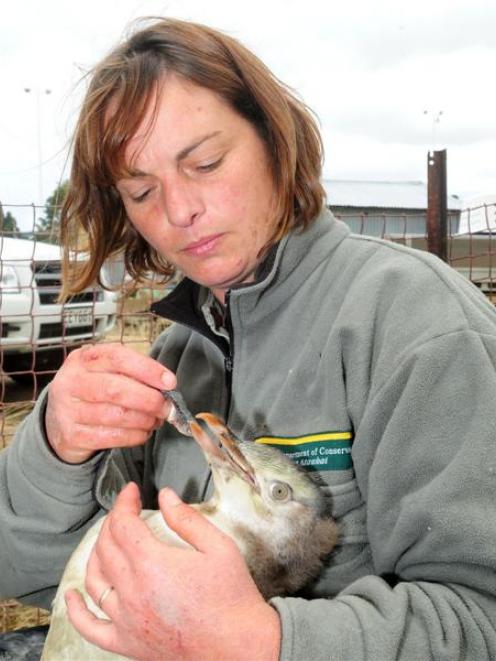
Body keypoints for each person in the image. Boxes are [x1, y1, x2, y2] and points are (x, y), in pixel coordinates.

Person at [1, 16, 496, 661]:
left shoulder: (411, 320)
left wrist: (264, 641)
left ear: (272, 139)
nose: (179, 212)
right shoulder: (179, 359)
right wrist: (57, 452)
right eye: (142, 191)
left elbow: (482, 619)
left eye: (205, 163)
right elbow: (37, 582)